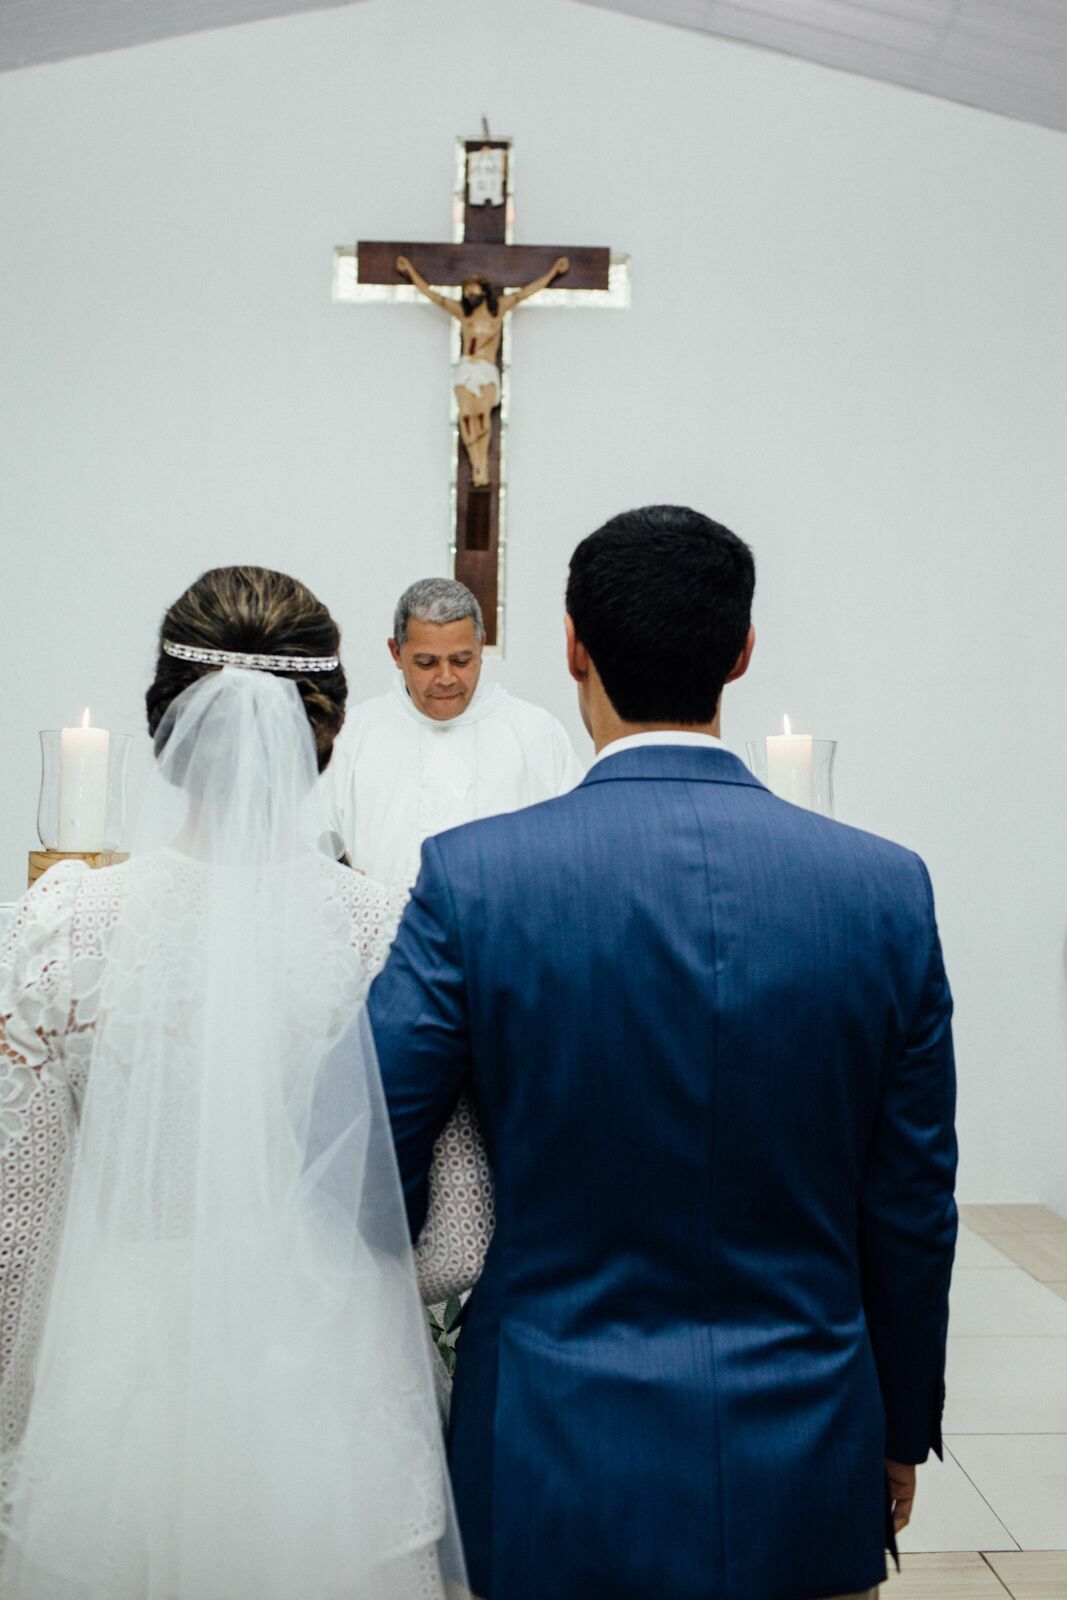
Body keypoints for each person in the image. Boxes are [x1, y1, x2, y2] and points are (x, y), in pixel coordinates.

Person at [368, 505, 958, 1600]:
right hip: (804, 1441)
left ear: (569, 647)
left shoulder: (474, 879)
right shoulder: (882, 889)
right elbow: (911, 1198)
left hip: (549, 1445)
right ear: (740, 652)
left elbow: (370, 1145)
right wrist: (899, 1425)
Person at [0, 566, 482, 1600]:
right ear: (330, 729)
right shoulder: (383, 931)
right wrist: (360, 1304)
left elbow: (20, 1220)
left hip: (122, 1389)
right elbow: (458, 1240)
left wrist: (24, 1418)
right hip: (328, 1394)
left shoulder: (64, 924)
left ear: (162, 729)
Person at [322, 576, 585, 886]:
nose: (446, 678)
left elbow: (577, 847)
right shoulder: (351, 735)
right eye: (426, 663)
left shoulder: (536, 732)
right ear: (396, 652)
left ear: (481, 645)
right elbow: (314, 845)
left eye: (461, 660)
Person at [395, 256, 569, 486]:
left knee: (482, 417)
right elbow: (433, 295)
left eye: (473, 292)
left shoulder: (498, 310)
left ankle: (483, 466)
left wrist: (553, 273)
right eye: (466, 293)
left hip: (486, 369)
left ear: (484, 292)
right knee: (466, 416)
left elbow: (526, 292)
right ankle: (476, 465)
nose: (469, 296)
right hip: (467, 367)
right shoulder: (463, 313)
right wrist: (409, 272)